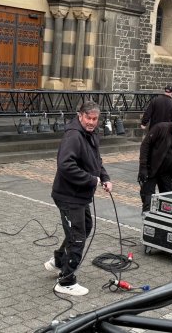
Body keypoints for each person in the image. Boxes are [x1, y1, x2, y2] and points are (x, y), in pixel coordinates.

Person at [45, 100, 113, 296]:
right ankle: (66, 281)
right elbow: (65, 165)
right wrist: (91, 180)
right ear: (80, 116)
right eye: (88, 118)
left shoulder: (92, 134)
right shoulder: (73, 136)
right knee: (77, 237)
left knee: (85, 227)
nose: (91, 122)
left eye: (95, 119)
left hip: (80, 195)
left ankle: (59, 260)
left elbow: (96, 161)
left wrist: (105, 178)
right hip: (68, 195)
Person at [138, 114, 172, 214]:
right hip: (151, 169)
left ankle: (164, 220)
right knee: (148, 199)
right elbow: (145, 146)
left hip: (167, 171)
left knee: (168, 199)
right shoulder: (160, 128)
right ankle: (147, 219)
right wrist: (143, 167)